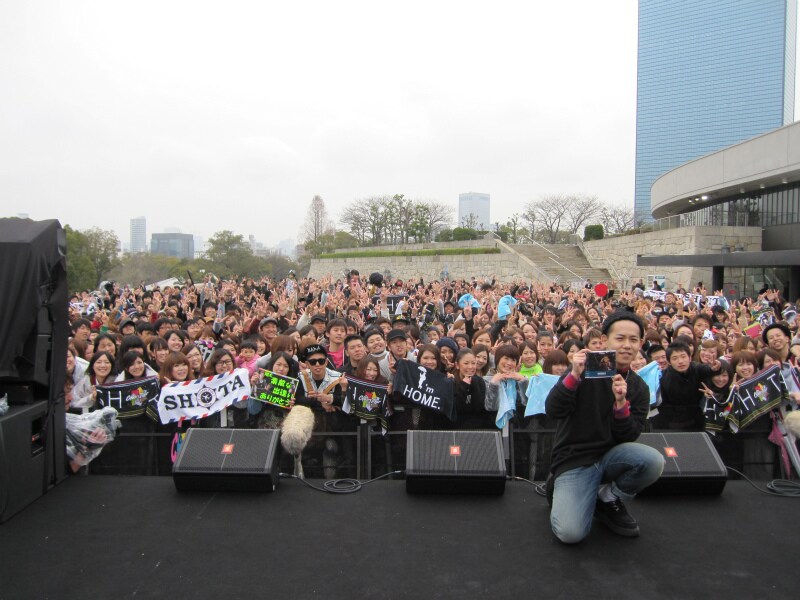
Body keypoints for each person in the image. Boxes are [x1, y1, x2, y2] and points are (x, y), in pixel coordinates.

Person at [545, 312, 665, 543]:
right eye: (620, 338)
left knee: (653, 461)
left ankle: (607, 496)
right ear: (604, 341)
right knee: (570, 533)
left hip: (612, 457)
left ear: (641, 344)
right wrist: (573, 376)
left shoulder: (638, 387)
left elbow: (630, 435)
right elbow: (554, 411)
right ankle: (558, 486)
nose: (627, 346)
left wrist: (621, 405)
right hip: (575, 458)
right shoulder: (584, 371)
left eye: (633, 340)